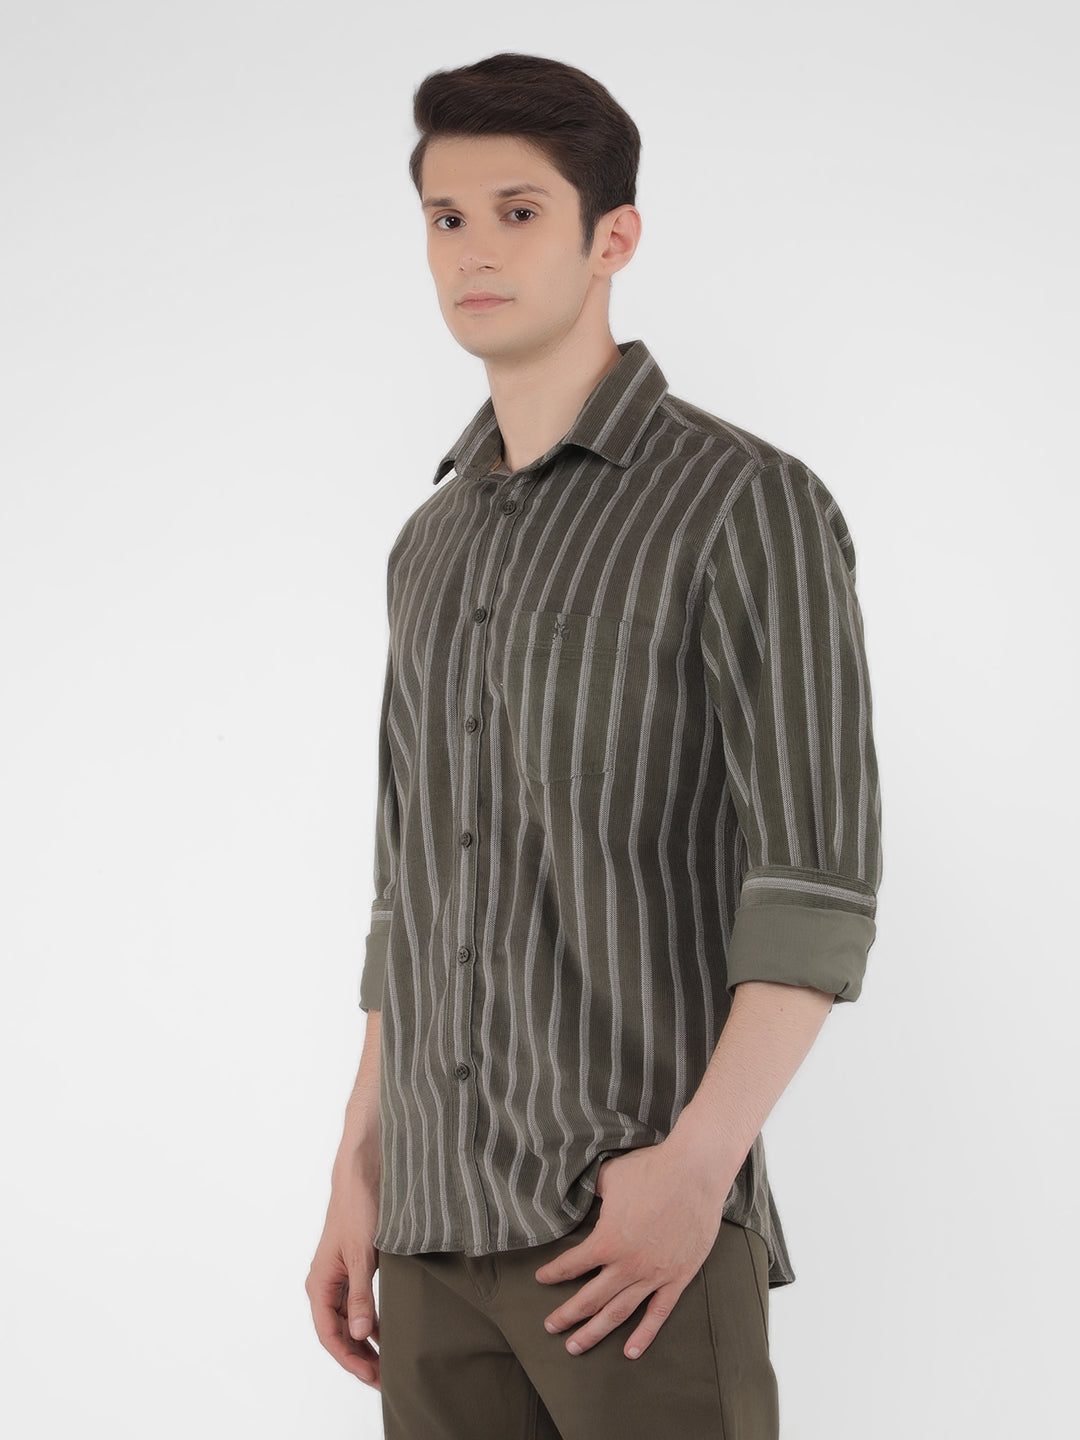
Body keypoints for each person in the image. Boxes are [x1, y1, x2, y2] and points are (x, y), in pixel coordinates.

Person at [306, 51, 883, 1440]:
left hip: (630, 1237)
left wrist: (697, 1170)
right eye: (447, 218)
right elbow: (409, 890)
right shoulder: (427, 548)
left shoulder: (743, 503)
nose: (474, 251)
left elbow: (814, 885)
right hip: (428, 1240)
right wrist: (359, 1165)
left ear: (612, 236)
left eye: (519, 213)